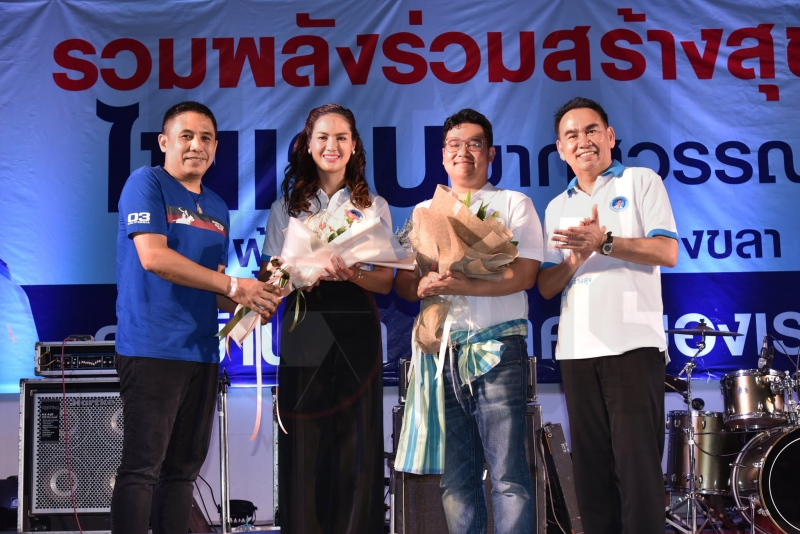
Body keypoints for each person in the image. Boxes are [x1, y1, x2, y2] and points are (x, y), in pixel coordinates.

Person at [113, 101, 280, 534]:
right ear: (164, 141)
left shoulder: (218, 207)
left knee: (182, 472)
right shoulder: (146, 183)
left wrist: (251, 303)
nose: (196, 145)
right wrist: (235, 287)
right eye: (186, 136)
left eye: (206, 138)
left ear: (216, 148)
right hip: (151, 348)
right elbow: (154, 258)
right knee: (142, 470)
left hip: (203, 353)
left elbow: (215, 288)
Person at [395, 109, 543, 534]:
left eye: (475, 144)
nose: (464, 152)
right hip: (441, 355)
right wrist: (423, 286)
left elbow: (525, 275)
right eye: (455, 145)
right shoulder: (424, 210)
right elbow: (404, 284)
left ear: (491, 153)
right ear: (443, 155)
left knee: (508, 476)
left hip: (497, 348)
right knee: (456, 480)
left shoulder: (513, 204)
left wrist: (465, 284)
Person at [538, 96, 678, 534]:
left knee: (638, 473)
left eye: (592, 130)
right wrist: (574, 260)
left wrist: (605, 242)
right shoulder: (556, 207)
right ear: (560, 149)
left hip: (632, 345)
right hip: (576, 351)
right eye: (571, 135)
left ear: (610, 136)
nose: (583, 141)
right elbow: (546, 286)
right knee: (591, 476)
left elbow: (667, 251)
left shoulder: (641, 181)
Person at [259, 103, 392, 534]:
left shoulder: (373, 206)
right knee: (306, 440)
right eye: (323, 137)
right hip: (305, 323)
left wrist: (352, 274)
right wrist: (293, 272)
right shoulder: (286, 206)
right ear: (308, 144)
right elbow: (267, 278)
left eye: (341, 138)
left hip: (357, 324)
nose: (331, 146)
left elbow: (387, 281)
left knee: (357, 439)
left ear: (354, 146)